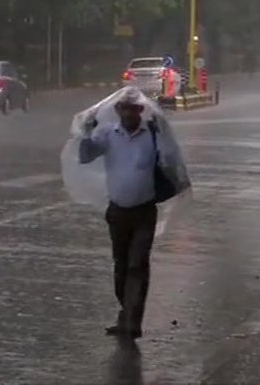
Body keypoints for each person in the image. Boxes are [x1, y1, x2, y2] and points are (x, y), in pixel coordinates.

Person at [78, 90, 168, 340]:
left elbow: (170, 161)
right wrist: (86, 131)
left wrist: (164, 131)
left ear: (141, 111)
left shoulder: (152, 134)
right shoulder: (108, 134)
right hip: (118, 212)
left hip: (144, 211)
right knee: (121, 266)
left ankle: (132, 321)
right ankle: (126, 313)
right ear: (118, 111)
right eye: (124, 109)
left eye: (133, 109)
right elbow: (85, 157)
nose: (129, 113)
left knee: (137, 265)